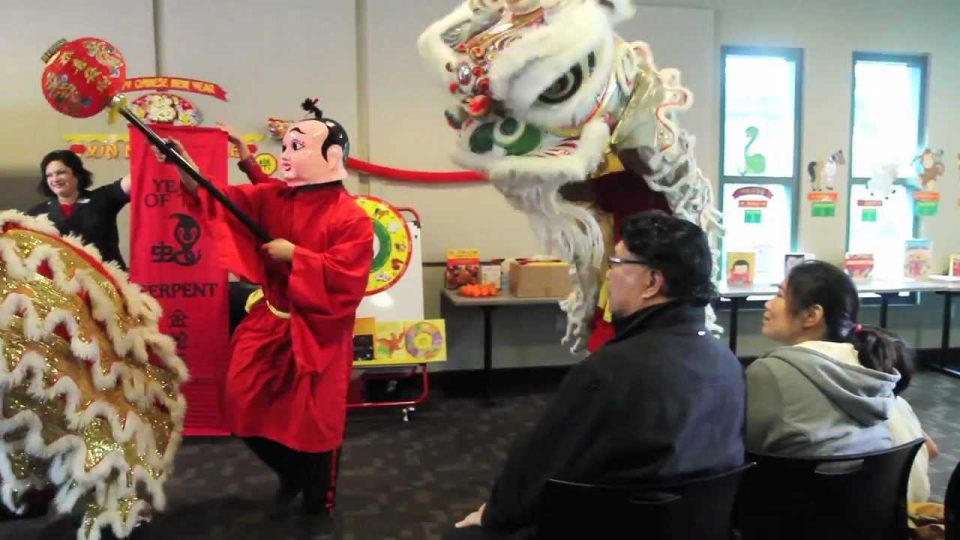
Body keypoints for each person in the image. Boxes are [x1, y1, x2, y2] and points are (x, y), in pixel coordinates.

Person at [446, 210, 746, 540]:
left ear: (651, 282)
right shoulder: (727, 364)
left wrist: (492, 514)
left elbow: (536, 472)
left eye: (616, 264)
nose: (608, 275)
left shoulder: (610, 371)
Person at [161, 99, 373, 530]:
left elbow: (347, 279)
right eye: (286, 147)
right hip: (269, 320)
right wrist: (182, 163)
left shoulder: (352, 218)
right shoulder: (276, 197)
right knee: (240, 403)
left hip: (319, 330)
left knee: (316, 421)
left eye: (297, 147)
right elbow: (215, 198)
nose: (286, 155)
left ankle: (317, 500)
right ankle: (292, 473)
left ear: (332, 156)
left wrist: (297, 256)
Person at [746, 260, 903, 457]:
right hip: (870, 476)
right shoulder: (869, 365)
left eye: (779, 295)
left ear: (812, 315)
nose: (768, 304)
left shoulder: (770, 371)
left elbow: (745, 444)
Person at [26, 150, 132, 269]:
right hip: (61, 279)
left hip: (107, 277)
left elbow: (136, 179)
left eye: (61, 172)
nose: (55, 179)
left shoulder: (102, 198)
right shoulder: (36, 213)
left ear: (77, 174)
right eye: (49, 175)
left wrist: (149, 153)